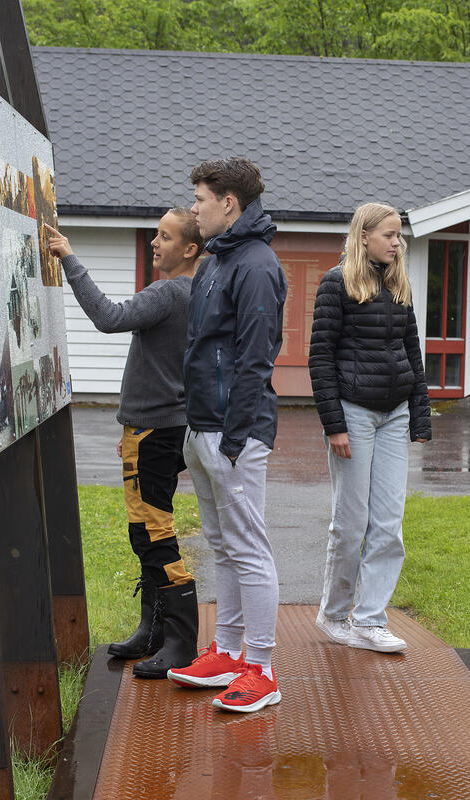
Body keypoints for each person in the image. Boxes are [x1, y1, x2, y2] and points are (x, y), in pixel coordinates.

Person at [44, 211, 203, 679]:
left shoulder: (169, 292)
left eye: (164, 236)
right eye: (155, 233)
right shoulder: (199, 292)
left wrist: (70, 259)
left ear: (190, 249)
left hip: (155, 432)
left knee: (152, 532)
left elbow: (109, 318)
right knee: (148, 529)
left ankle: (180, 640)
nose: (154, 242)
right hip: (159, 428)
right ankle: (152, 631)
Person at [165, 157, 287, 714]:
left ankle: (261, 669)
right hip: (203, 427)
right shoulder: (216, 260)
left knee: (249, 549)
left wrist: (234, 440)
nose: (194, 207)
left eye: (200, 198)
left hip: (234, 433)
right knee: (223, 547)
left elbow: (256, 359)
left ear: (228, 203)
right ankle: (230, 652)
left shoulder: (257, 264)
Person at [307, 202, 431, 654]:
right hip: (353, 414)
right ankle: (334, 614)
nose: (397, 243)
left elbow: (412, 353)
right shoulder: (335, 283)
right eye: (390, 235)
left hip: (395, 414)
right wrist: (334, 424)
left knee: (388, 524)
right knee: (352, 521)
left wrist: (419, 414)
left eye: (399, 236)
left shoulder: (399, 284)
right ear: (364, 236)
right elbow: (319, 358)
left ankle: (370, 620)